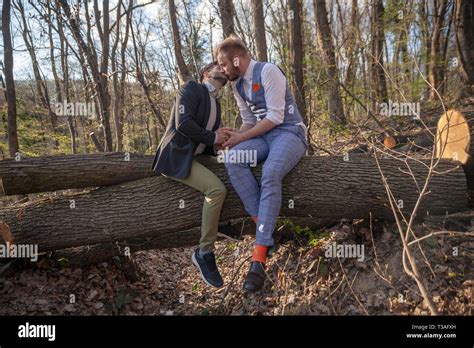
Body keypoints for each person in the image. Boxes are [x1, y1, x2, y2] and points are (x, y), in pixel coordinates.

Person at [215, 36, 308, 293]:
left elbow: (276, 116)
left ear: (237, 59)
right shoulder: (237, 87)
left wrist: (243, 137)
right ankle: (265, 227)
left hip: (289, 133)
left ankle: (259, 257)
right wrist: (234, 140)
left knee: (270, 173)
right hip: (261, 137)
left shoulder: (268, 71)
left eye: (223, 64)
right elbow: (248, 121)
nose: (222, 70)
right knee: (233, 159)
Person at [151, 62, 232, 288]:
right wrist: (213, 137)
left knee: (234, 168)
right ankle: (204, 253)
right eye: (220, 69)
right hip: (176, 156)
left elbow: (209, 138)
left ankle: (221, 223)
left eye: (226, 71)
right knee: (216, 190)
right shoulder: (190, 88)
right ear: (206, 73)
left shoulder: (215, 102)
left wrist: (221, 141)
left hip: (197, 156)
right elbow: (183, 124)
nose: (224, 71)